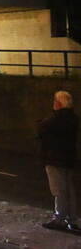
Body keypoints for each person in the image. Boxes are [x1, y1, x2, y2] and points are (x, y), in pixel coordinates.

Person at [39, 90, 79, 232]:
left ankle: (59, 219)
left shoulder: (55, 119)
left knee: (58, 190)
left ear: (59, 103)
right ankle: (72, 219)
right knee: (69, 189)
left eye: (55, 101)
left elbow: (42, 129)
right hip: (68, 158)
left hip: (54, 158)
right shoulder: (73, 118)